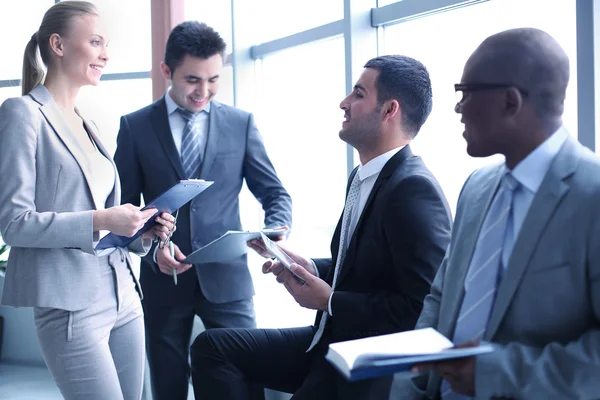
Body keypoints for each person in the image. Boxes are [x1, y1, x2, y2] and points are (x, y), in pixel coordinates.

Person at [189, 54, 453, 400]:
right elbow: (365, 272)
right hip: (329, 341)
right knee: (213, 347)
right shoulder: (363, 177)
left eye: (358, 95)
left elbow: (421, 310)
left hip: (365, 361)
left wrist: (330, 301)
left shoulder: (414, 190)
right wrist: (310, 268)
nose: (344, 103)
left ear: (390, 110)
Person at [390, 28, 600, 400]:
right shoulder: (476, 188)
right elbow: (440, 299)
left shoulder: (592, 195)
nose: (457, 108)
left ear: (510, 101)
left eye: (465, 93)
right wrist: (409, 388)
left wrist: (495, 374)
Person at [0, 2, 176, 400]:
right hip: (70, 305)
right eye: (95, 41)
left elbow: (107, 224)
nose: (106, 54)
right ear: (58, 44)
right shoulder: (21, 114)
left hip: (124, 293)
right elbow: (13, 223)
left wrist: (142, 228)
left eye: (106, 44)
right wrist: (102, 218)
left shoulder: (88, 124)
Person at [113, 21, 292, 400]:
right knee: (168, 386)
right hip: (163, 284)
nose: (204, 91)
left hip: (229, 282)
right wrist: (149, 252)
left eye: (213, 79)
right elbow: (122, 212)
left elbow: (274, 193)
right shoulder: (135, 127)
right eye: (193, 79)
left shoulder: (240, 123)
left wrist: (276, 228)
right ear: (167, 71)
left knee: (245, 381)